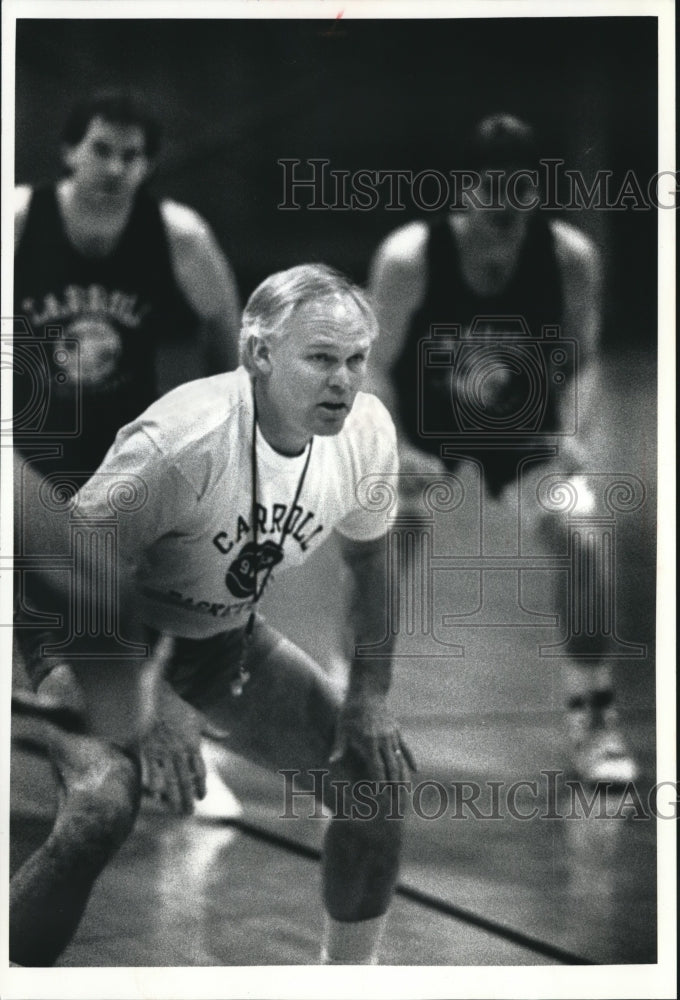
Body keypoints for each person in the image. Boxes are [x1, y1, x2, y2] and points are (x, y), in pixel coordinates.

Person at [10, 264, 415, 968]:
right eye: (320, 358)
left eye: (356, 360)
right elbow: (60, 577)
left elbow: (373, 561)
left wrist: (370, 695)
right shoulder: (183, 442)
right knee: (103, 807)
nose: (343, 381)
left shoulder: (366, 433)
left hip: (217, 634)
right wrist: (155, 704)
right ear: (259, 354)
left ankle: (349, 979)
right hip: (92, 638)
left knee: (373, 789)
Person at [367, 113, 636, 784]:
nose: (507, 203)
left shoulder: (569, 256)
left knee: (584, 538)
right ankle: (355, 702)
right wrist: (392, 445)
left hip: (523, 427)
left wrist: (574, 431)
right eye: (492, 188)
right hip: (422, 426)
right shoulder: (410, 257)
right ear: (463, 189)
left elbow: (585, 360)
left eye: (522, 188)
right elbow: (370, 365)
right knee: (381, 536)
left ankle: (591, 714)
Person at [13, 88, 241, 477]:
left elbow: (229, 345)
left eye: (130, 156)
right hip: (27, 450)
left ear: (148, 166)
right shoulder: (18, 220)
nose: (115, 168)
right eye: (101, 150)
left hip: (133, 457)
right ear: (70, 152)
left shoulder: (180, 236)